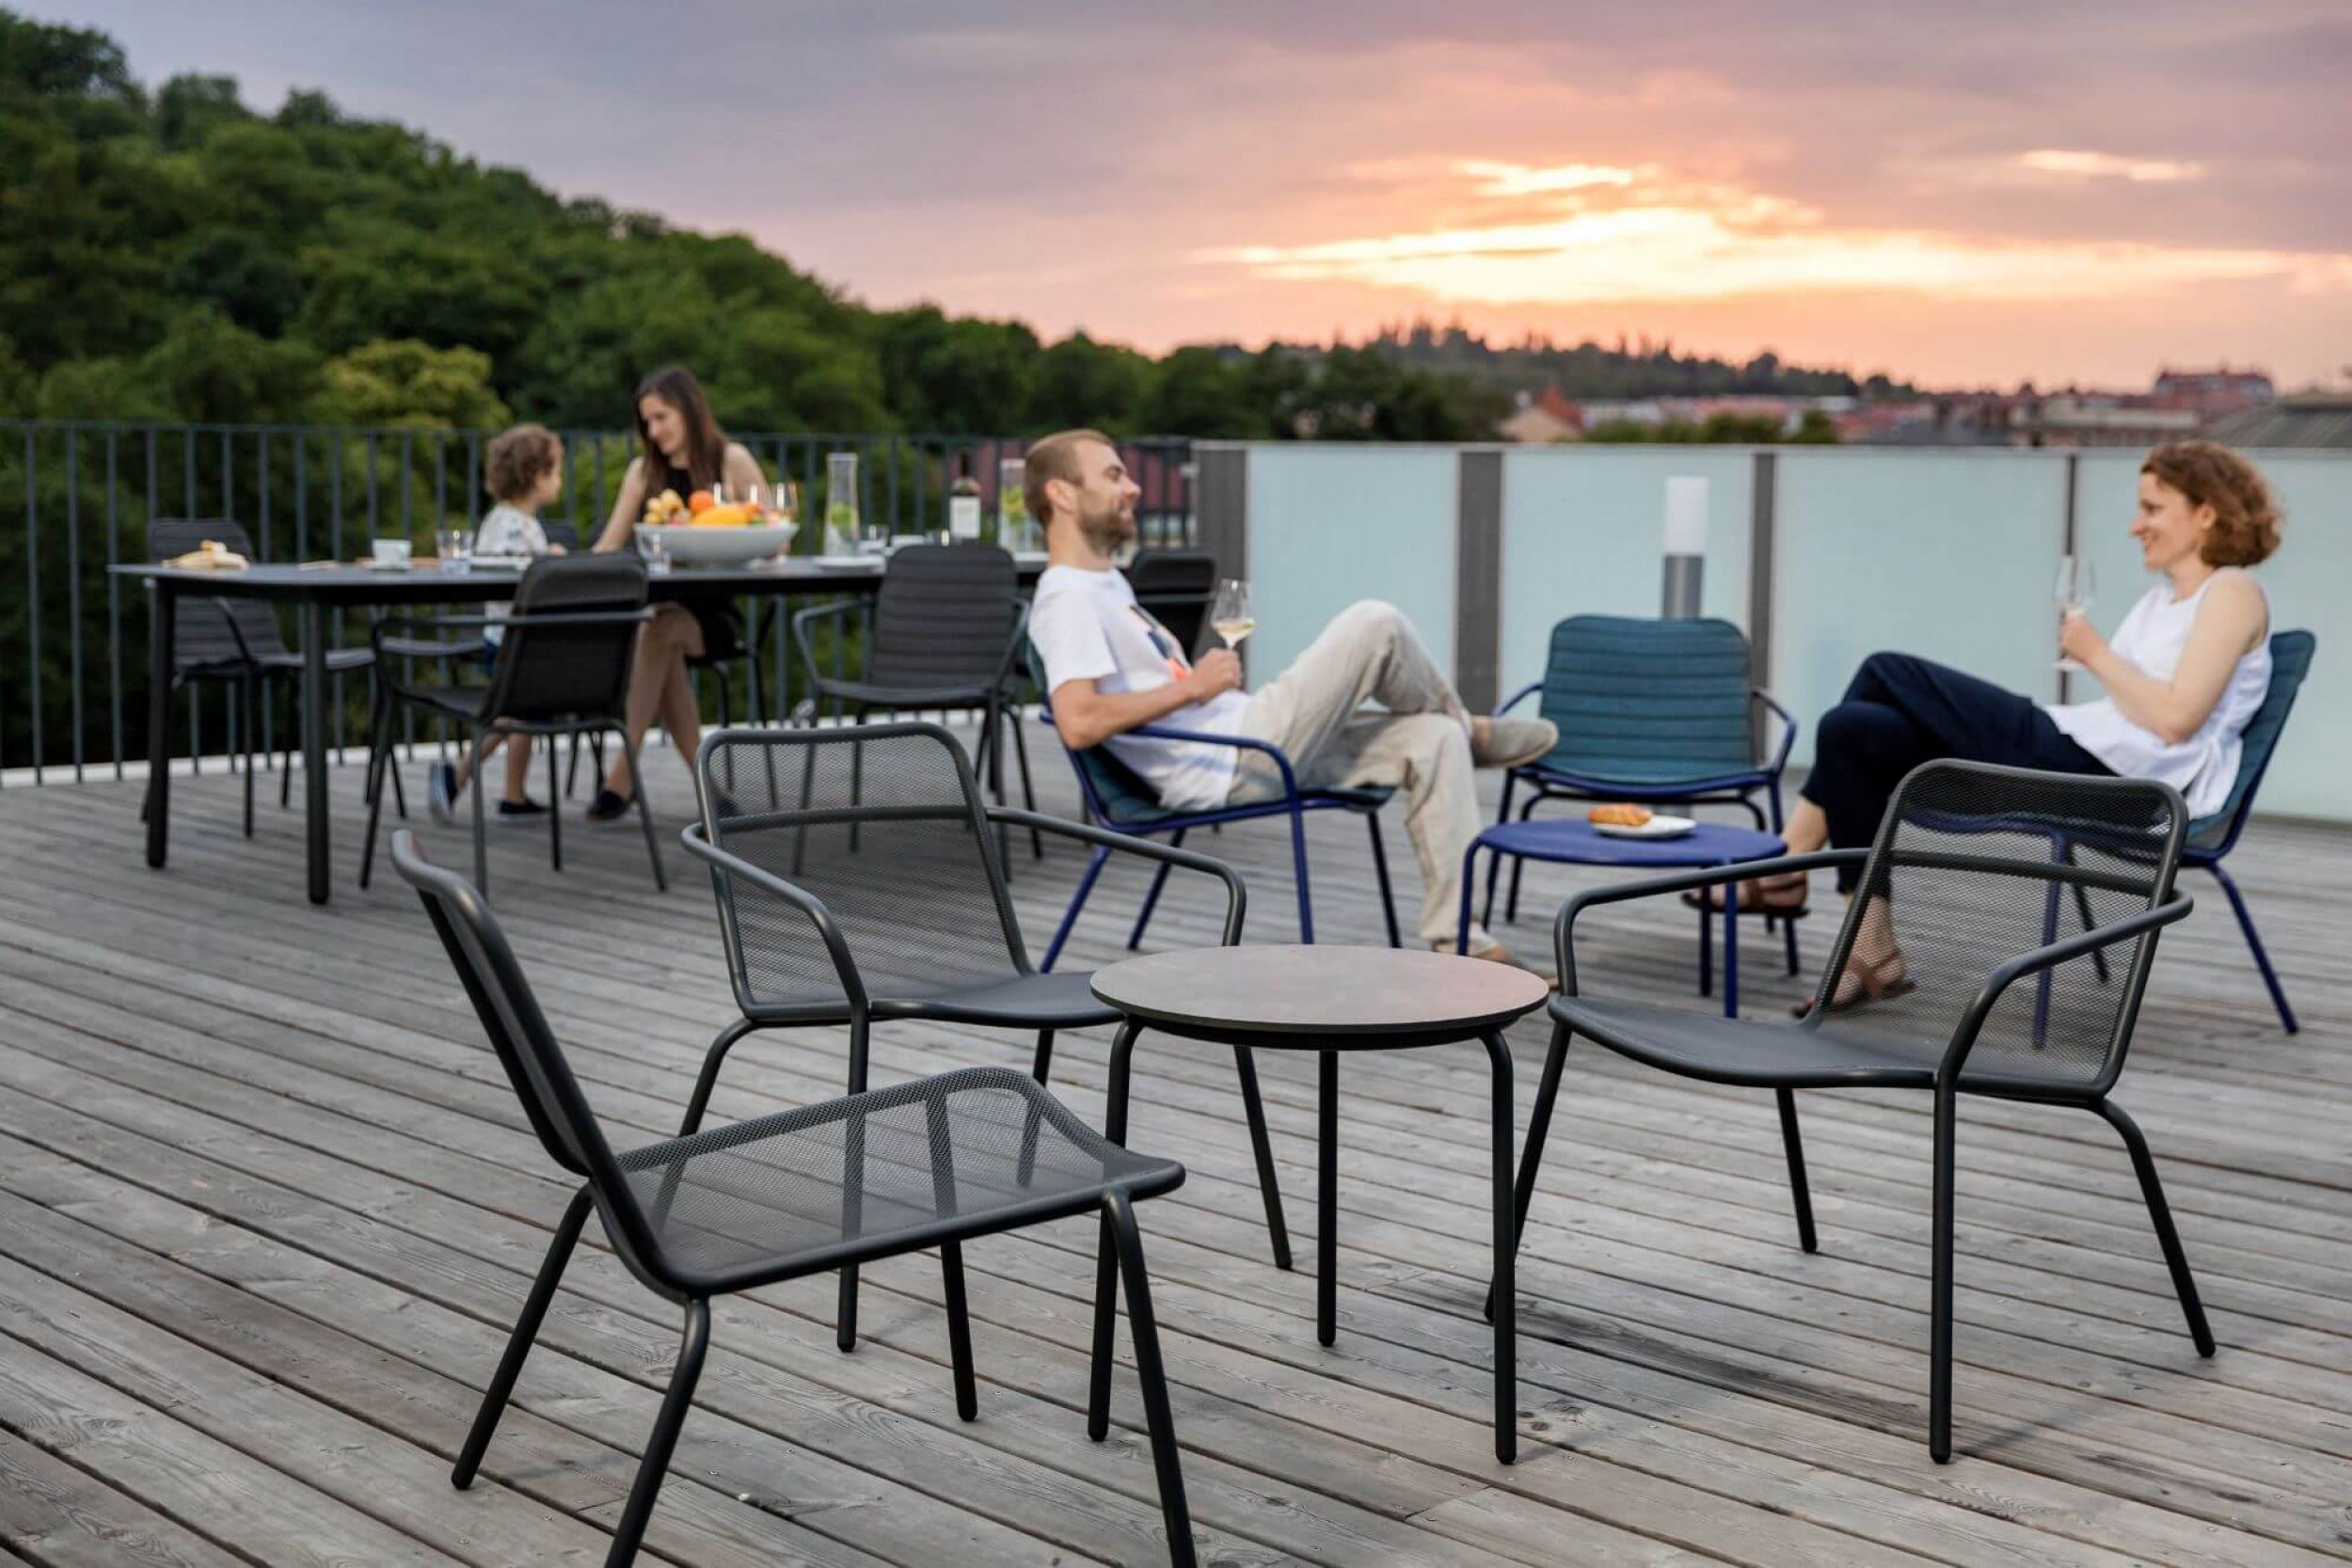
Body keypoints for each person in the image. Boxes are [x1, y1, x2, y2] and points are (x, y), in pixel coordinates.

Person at [1710, 439, 2280, 1013]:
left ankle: (1786, 865)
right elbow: (2143, 707)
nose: (2136, 526)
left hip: (2122, 786)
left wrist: (2096, 654)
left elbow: (2178, 720)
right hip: (2079, 753)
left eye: (2153, 508)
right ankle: (1870, 942)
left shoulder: (2233, 591)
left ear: (2205, 512)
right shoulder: (2161, 603)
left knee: (1885, 670)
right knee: (1850, 729)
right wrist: (2103, 660)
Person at [1024, 429, 1559, 964]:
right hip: (1233, 760)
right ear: (1062, 495)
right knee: (1375, 624)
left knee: (1434, 739)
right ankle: (1474, 731)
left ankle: (1463, 939)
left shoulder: (1107, 585)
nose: (1134, 487)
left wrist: (1197, 691)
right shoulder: (1066, 599)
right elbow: (1079, 721)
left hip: (1241, 737)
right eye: (1114, 475)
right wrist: (1192, 688)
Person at [587, 366, 768, 821]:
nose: (654, 430)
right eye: (647, 422)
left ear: (688, 410)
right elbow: (609, 546)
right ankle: (713, 794)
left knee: (658, 628)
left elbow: (776, 536)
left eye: (662, 417)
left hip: (714, 617)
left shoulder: (731, 460)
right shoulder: (645, 471)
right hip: (658, 617)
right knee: (658, 630)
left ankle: (622, 775)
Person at [428, 422, 567, 825]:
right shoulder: (514, 527)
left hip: (512, 640)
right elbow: (519, 580)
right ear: (537, 476)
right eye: (556, 472)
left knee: (526, 713)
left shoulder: (505, 520)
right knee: (513, 715)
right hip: (514, 642)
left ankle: (513, 794)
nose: (559, 480)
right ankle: (458, 775)